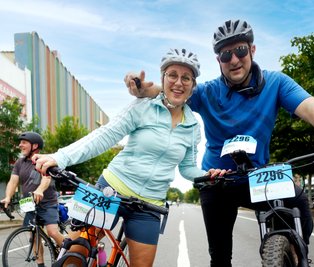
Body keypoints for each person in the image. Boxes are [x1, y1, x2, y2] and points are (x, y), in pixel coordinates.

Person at [124, 19, 314, 266]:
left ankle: (295, 254)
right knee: (219, 257)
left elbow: (309, 106)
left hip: (258, 176)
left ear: (252, 50)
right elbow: (174, 89)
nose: (234, 60)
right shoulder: (207, 92)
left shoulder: (276, 83)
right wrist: (144, 90)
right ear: (218, 60)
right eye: (225, 55)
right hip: (216, 179)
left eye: (240, 50)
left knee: (299, 203)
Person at [33, 48, 226, 267]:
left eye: (186, 78)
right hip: (110, 190)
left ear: (192, 86)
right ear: (163, 79)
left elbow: (187, 168)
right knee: (73, 258)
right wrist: (61, 157)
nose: (178, 82)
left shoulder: (192, 127)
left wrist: (206, 175)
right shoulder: (142, 107)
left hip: (149, 206)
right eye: (172, 75)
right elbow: (104, 135)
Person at [1, 131, 65, 267]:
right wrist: (7, 197)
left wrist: (40, 190)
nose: (20, 145)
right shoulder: (19, 163)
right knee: (33, 235)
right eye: (20, 143)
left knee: (52, 232)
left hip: (47, 202)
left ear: (35, 145)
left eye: (24, 143)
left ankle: (70, 250)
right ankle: (40, 264)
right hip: (28, 203)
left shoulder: (44, 160)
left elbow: (46, 178)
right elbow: (13, 182)